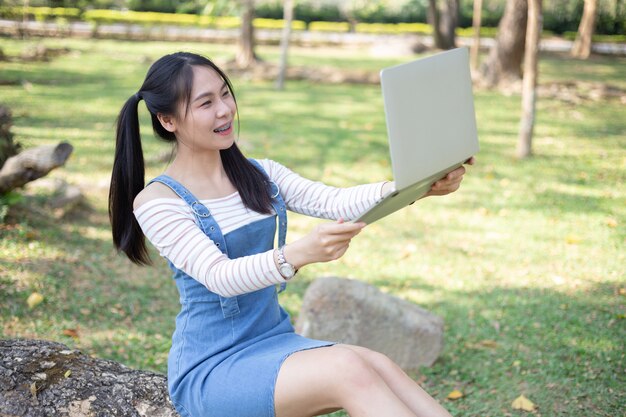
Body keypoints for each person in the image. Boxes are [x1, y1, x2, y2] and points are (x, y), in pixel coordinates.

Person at [109, 51, 473, 417]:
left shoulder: (259, 174)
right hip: (212, 368)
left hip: (275, 341)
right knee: (349, 370)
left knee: (377, 364)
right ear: (168, 120)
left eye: (225, 93)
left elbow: (337, 203)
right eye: (206, 103)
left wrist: (417, 185)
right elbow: (220, 277)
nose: (224, 110)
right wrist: (300, 253)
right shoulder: (158, 201)